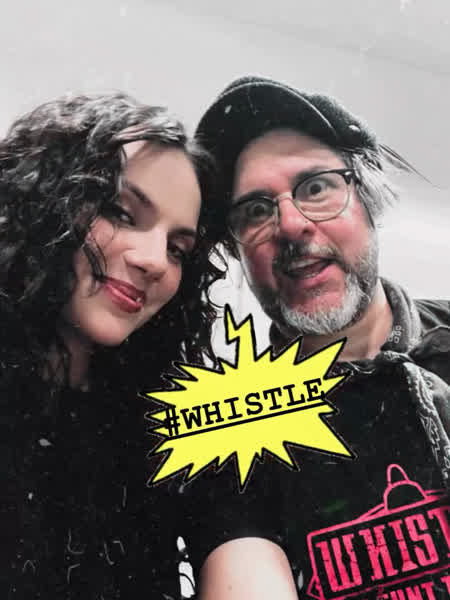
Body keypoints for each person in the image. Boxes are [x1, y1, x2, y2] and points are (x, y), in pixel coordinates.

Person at [176, 76, 450, 599]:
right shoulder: (230, 434)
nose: (290, 224)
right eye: (256, 210)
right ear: (239, 253)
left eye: (317, 188)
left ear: (369, 199)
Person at [0, 92, 225, 599]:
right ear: (45, 200)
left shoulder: (161, 436)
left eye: (178, 248)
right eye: (121, 212)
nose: (155, 260)